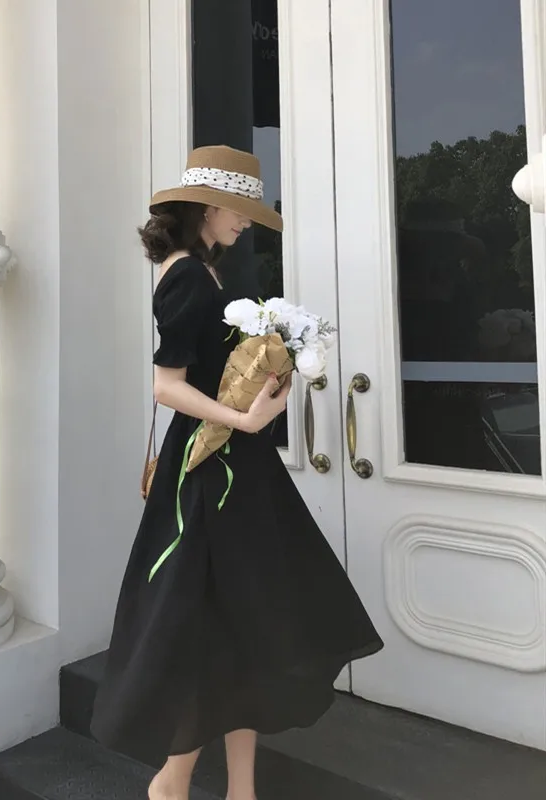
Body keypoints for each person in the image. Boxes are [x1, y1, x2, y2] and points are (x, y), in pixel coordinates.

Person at [91, 146, 383, 800]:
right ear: (208, 206)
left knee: (241, 621)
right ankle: (173, 783)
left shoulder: (195, 270)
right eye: (241, 211)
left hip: (230, 467)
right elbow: (166, 386)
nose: (248, 223)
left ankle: (239, 790)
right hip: (212, 470)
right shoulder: (190, 275)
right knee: (217, 624)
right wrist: (245, 418)